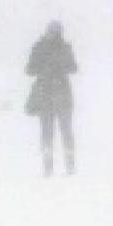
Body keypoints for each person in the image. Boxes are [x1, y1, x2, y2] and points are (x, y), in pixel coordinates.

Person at [26, 21, 78, 176]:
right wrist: (60, 66)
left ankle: (48, 167)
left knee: (47, 131)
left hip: (45, 93)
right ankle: (69, 166)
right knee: (65, 130)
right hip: (61, 93)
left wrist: (42, 68)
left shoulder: (39, 47)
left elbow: (29, 70)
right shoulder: (64, 48)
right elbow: (73, 68)